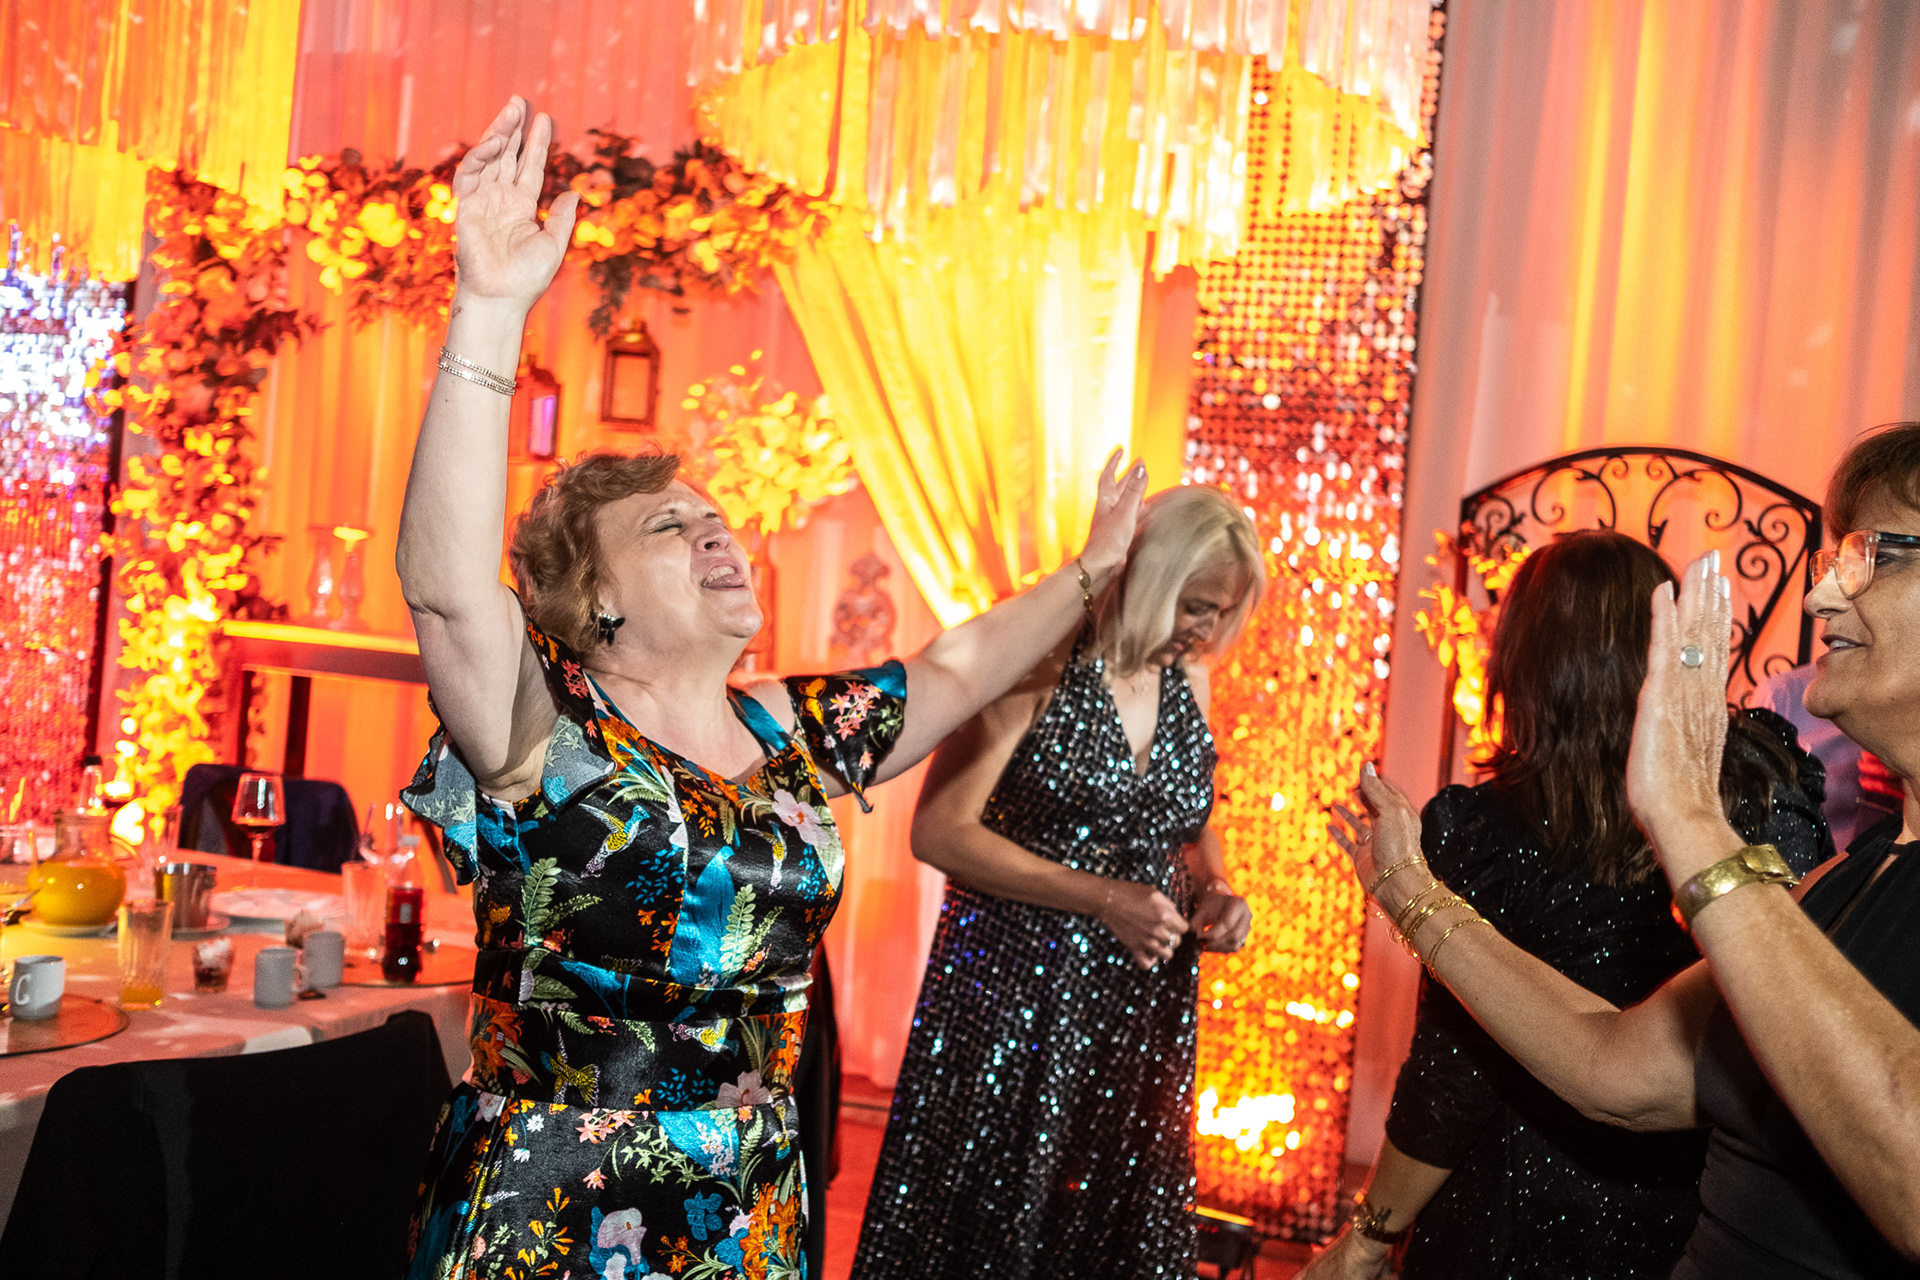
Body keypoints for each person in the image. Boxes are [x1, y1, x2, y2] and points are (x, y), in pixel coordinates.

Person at [394, 97, 1150, 1280]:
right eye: (668, 526)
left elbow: (952, 668)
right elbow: (447, 592)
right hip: (553, 1204)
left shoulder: (786, 729)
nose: (716, 533)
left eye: (714, 517)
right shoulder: (546, 731)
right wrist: (488, 306)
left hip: (749, 1194)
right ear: (595, 600)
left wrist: (1092, 571)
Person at [1330, 422, 1920, 1278]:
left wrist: (1689, 816)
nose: (1820, 598)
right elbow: (1610, 1063)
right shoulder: (1850, 878)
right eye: (1832, 561)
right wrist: (1408, 891)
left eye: (1870, 557)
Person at [850, 484, 1264, 1279]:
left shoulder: (1190, 678)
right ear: (1145, 576)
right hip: (1014, 993)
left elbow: (1183, 816)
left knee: (1105, 1217)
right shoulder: (1039, 661)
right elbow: (938, 831)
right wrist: (1101, 897)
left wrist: (1216, 886)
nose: (1209, 631)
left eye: (1223, 613)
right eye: (1196, 606)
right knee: (995, 1219)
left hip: (1138, 1002)